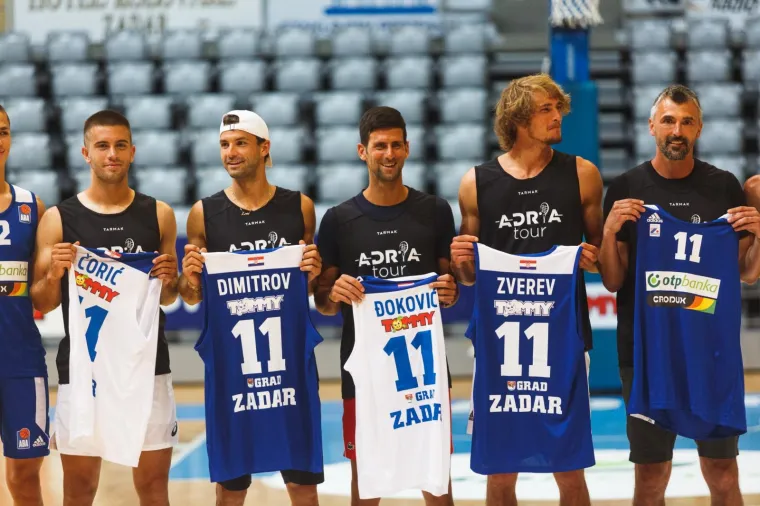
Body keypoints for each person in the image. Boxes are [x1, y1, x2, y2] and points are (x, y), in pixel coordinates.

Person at [600, 84, 760, 505]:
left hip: (711, 352)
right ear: (651, 126)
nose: (677, 130)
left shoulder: (723, 187)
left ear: (699, 129)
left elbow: (746, 273)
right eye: (668, 120)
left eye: (687, 122)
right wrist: (609, 231)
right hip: (646, 352)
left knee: (722, 473)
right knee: (651, 476)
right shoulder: (627, 188)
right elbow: (613, 281)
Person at [449, 73, 603, 506]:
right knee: (500, 470)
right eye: (545, 110)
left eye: (558, 109)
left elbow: (605, 263)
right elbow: (469, 275)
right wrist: (461, 260)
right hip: (499, 343)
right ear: (517, 118)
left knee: (569, 466)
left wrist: (592, 258)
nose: (557, 117)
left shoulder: (583, 174)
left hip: (565, 337)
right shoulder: (476, 183)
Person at [30, 110, 180, 506]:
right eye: (102, 146)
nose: (111, 154)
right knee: (79, 490)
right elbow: (42, 301)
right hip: (85, 372)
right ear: (86, 153)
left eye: (119, 145)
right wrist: (54, 274)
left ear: (132, 152)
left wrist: (170, 278)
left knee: (153, 490)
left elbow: (168, 296)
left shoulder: (159, 215)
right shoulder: (58, 219)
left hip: (148, 368)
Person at [314, 106, 458, 506]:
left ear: (408, 148)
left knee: (438, 485)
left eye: (396, 145)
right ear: (363, 151)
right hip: (365, 375)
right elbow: (323, 303)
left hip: (427, 374)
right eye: (380, 146)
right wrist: (334, 292)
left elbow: (448, 287)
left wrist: (450, 292)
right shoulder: (338, 220)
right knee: (366, 488)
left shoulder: (435, 211)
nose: (389, 154)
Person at [178, 110, 323, 506]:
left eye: (240, 143)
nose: (231, 152)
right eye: (224, 144)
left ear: (264, 148)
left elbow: (308, 289)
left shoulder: (299, 207)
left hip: (290, 370)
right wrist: (190, 278)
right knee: (230, 491)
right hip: (233, 374)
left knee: (303, 487)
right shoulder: (203, 214)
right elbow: (190, 296)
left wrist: (313, 273)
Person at [0, 104, 50, 506]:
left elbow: (43, 296)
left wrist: (55, 274)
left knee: (25, 474)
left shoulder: (32, 206)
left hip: (20, 359)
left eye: (2, 131)